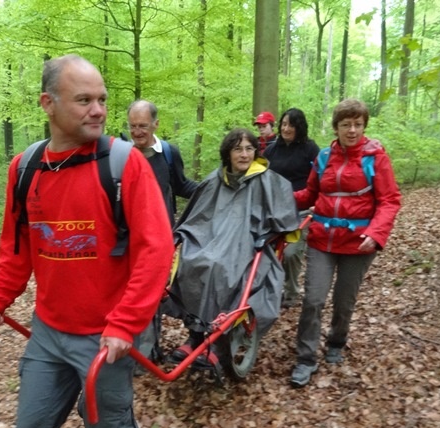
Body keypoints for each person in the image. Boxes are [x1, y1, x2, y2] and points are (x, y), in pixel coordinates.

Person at [0, 54, 174, 428]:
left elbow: (156, 250)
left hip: (105, 336)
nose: (99, 110)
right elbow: (16, 246)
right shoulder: (25, 168)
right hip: (49, 332)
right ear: (47, 103)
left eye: (102, 99)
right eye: (84, 99)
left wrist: (125, 323)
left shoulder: (125, 164)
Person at [290, 98, 401, 388]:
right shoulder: (325, 157)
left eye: (357, 124)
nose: (352, 130)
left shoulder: (376, 158)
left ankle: (337, 341)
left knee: (343, 301)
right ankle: (305, 358)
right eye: (345, 124)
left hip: (358, 244)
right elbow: (310, 194)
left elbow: (389, 201)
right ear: (336, 127)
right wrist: (280, 198)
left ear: (364, 125)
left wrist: (376, 235)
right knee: (313, 299)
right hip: (321, 240)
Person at [167, 128, 300, 366]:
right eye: (238, 149)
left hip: (249, 244)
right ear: (227, 153)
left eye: (249, 148)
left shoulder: (268, 180)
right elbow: (195, 217)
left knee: (222, 268)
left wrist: (269, 234)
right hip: (211, 240)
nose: (244, 154)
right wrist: (181, 235)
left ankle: (218, 344)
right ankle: (195, 336)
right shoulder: (213, 180)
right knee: (192, 262)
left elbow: (285, 218)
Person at [126, 100, 198, 369]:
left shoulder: (168, 153)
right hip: (126, 239)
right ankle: (135, 350)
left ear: (156, 124)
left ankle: (146, 353)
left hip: (160, 238)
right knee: (129, 294)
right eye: (133, 126)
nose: (137, 132)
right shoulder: (121, 154)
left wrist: (214, 188)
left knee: (153, 293)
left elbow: (181, 185)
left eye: (143, 126)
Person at [264, 108, 320, 309]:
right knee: (268, 251)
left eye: (291, 125)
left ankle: (291, 291)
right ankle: (271, 290)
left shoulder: (310, 149)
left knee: (291, 253)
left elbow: (321, 177)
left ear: (299, 127)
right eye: (284, 124)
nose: (287, 129)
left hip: (301, 211)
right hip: (273, 210)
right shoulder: (271, 150)